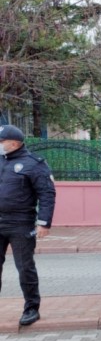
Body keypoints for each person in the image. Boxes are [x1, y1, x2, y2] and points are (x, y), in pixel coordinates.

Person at [0, 124, 56, 327]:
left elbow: (47, 193)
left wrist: (44, 222)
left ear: (14, 143)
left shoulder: (34, 164)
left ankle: (31, 307)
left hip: (21, 223)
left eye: (1, 141)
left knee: (25, 267)